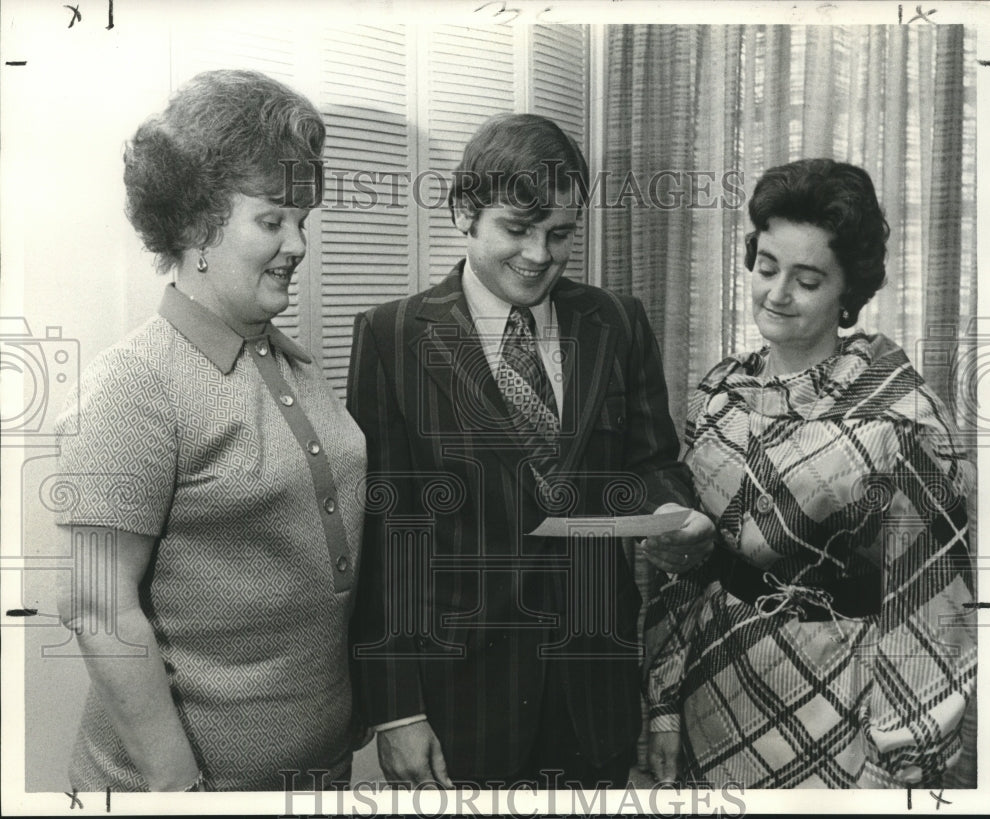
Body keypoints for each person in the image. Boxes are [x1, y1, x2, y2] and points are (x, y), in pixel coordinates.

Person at [347, 113, 714, 789]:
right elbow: (384, 537)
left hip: (595, 700)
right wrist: (397, 709)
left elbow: (653, 462)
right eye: (517, 229)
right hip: (460, 711)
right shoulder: (391, 336)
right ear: (465, 211)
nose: (540, 255)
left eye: (560, 234)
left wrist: (672, 509)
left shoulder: (616, 323)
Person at [53, 69, 366, 791]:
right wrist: (179, 790)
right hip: (188, 790)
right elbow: (97, 606)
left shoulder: (296, 366)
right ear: (196, 224)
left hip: (316, 772)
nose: (297, 244)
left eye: (303, 221)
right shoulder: (134, 384)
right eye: (272, 220)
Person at [644, 158, 976, 789]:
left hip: (838, 704)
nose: (777, 294)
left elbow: (931, 609)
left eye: (808, 280)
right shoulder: (718, 392)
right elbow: (683, 564)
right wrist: (663, 702)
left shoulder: (902, 417)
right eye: (767, 267)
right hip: (713, 689)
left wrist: (900, 762)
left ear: (848, 291)